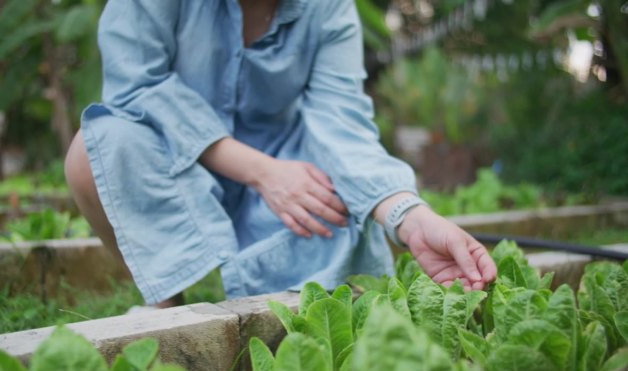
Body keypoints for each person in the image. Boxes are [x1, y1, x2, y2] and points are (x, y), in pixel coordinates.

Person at [64, 0, 497, 308]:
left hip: (288, 168)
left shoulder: (327, 8)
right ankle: (166, 305)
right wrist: (260, 172)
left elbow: (341, 125)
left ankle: (294, 295)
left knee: (339, 268)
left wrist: (411, 217)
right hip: (180, 159)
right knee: (94, 152)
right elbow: (136, 85)